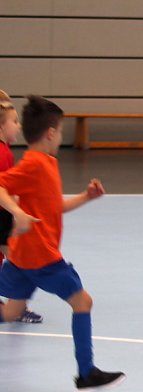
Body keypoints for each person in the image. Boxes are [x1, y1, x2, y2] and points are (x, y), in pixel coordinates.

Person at [0, 95, 125, 392]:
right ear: (51, 133)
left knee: (10, 313)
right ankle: (86, 374)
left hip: (20, 259)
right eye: (62, 131)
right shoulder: (35, 164)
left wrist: (85, 197)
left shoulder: (44, 164)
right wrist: (16, 212)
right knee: (83, 303)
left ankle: (86, 374)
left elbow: (52, 207)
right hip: (42, 258)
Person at [0, 90, 44, 324]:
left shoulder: (4, 151)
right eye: (14, 122)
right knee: (17, 259)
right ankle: (18, 306)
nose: (18, 127)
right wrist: (15, 210)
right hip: (2, 217)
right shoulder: (2, 154)